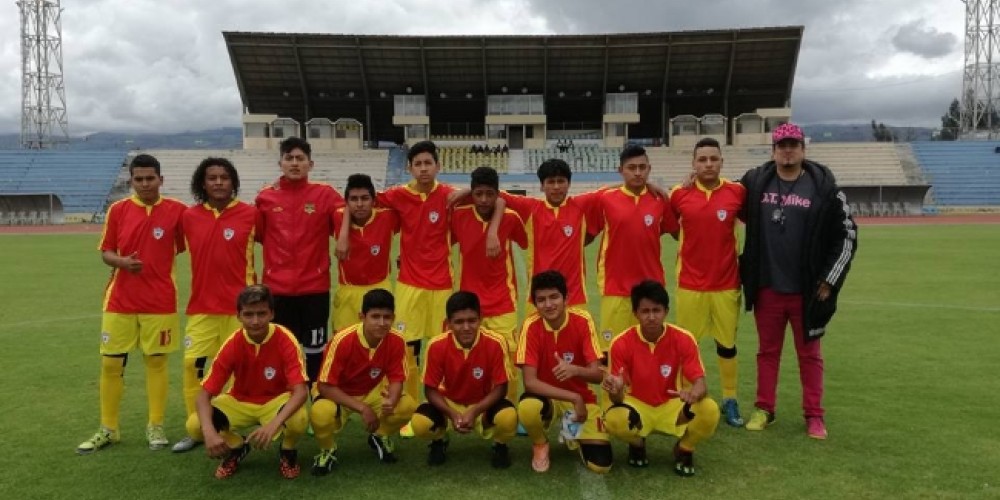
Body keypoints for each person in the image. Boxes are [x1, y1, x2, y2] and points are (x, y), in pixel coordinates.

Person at [738, 123, 857, 439]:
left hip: (809, 290)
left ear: (803, 149)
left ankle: (814, 415)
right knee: (767, 352)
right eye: (782, 145)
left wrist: (829, 280)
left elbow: (847, 235)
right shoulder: (756, 182)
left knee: (810, 355)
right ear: (773, 150)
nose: (787, 150)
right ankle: (765, 408)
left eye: (793, 145)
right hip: (767, 287)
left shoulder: (825, 188)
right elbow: (722, 198)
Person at [77, 153, 186, 455]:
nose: (145, 183)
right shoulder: (118, 210)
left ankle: (156, 425)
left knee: (156, 362)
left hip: (160, 300)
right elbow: (106, 252)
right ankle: (108, 428)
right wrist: (122, 262)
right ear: (131, 181)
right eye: (139, 179)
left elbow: (185, 245)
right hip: (120, 300)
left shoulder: (177, 211)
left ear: (161, 180)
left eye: (150, 178)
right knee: (111, 363)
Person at [172, 157, 258, 453]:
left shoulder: (251, 214)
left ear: (233, 182)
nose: (219, 182)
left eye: (224, 177)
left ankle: (228, 429)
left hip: (242, 311)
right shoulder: (189, 217)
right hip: (202, 309)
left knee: (238, 372)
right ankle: (196, 427)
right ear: (202, 183)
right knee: (191, 366)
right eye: (212, 177)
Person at [184, 285, 309, 479]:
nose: (255, 321)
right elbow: (203, 396)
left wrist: (274, 423)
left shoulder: (285, 339)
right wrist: (209, 433)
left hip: (275, 400)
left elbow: (301, 392)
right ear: (239, 316)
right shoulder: (233, 343)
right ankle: (236, 447)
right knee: (194, 425)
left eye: (261, 314)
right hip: (239, 401)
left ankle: (288, 451)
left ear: (272, 314)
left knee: (298, 420)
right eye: (249, 315)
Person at [667, 138, 747, 427]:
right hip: (690, 284)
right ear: (693, 163)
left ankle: (730, 399)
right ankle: (686, 399)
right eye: (702, 160)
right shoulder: (679, 194)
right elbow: (669, 224)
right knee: (688, 346)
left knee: (727, 345)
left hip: (726, 284)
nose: (708, 164)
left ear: (722, 162)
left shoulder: (737, 193)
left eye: (713, 159)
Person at [602, 280, 720, 477]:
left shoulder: (684, 338)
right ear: (635, 313)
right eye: (645, 311)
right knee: (614, 419)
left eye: (656, 310)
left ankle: (685, 448)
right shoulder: (620, 343)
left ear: (666, 311)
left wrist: (693, 394)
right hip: (636, 404)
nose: (651, 317)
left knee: (709, 410)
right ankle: (637, 445)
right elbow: (617, 398)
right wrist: (615, 391)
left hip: (672, 405)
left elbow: (700, 382)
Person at [255, 137, 344, 382]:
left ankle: (316, 396)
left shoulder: (325, 195)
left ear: (310, 164)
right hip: (277, 290)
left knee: (315, 349)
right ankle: (285, 399)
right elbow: (260, 236)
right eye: (289, 158)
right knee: (284, 349)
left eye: (300, 159)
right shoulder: (265, 198)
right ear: (280, 163)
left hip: (314, 288)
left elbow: (351, 215)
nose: (295, 163)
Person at [309, 288, 417, 475]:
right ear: (362, 316)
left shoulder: (397, 340)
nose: (382, 323)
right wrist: (363, 408)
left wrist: (392, 401)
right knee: (320, 413)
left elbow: (397, 379)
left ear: (393, 317)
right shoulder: (342, 340)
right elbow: (325, 386)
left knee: (406, 405)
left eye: (387, 317)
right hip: (338, 393)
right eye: (375, 317)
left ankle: (379, 436)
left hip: (372, 391)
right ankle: (327, 450)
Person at [516, 270, 612, 474]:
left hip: (583, 400)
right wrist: (574, 397)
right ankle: (540, 444)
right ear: (534, 303)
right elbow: (530, 383)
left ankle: (572, 433)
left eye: (554, 297)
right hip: (547, 399)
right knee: (528, 407)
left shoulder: (583, 320)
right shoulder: (530, 326)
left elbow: (597, 375)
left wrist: (575, 370)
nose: (548, 305)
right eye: (541, 300)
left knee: (601, 465)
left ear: (566, 298)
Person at [411, 291, 517, 468]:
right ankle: (439, 440)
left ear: (480, 319)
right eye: (459, 322)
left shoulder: (496, 342)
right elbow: (429, 389)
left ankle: (500, 445)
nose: (466, 327)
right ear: (449, 323)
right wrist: (452, 414)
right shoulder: (436, 345)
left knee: (509, 417)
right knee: (420, 424)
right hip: (449, 404)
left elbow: (501, 387)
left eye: (472, 320)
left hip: (483, 405)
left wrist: (474, 411)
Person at [590, 145, 679, 353]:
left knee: (649, 349)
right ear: (620, 170)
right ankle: (612, 387)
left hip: (651, 288)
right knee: (610, 351)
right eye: (631, 168)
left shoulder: (660, 200)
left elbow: (678, 233)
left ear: (649, 169)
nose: (637, 172)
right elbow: (586, 235)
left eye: (642, 167)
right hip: (614, 288)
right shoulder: (604, 199)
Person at [498, 158, 602, 310]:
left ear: (569, 184)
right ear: (542, 185)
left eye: (561, 181)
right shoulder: (531, 208)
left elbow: (611, 191)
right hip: (539, 298)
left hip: (574, 297)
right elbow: (496, 194)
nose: (556, 187)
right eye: (551, 182)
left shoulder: (580, 206)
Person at [450, 166, 527, 346]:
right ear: (472, 193)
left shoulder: (511, 218)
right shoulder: (459, 215)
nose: (484, 199)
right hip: (469, 305)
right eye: (478, 194)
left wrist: (494, 229)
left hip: (503, 303)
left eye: (490, 194)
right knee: (470, 360)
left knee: (507, 360)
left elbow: (525, 243)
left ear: (497, 194)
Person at [331, 173, 399, 332]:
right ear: (346, 203)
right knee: (343, 342)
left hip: (380, 288)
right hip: (348, 291)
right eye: (354, 199)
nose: (359, 204)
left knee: (381, 342)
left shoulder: (388, 216)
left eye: (365, 198)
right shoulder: (336, 217)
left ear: (374, 201)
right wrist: (343, 234)